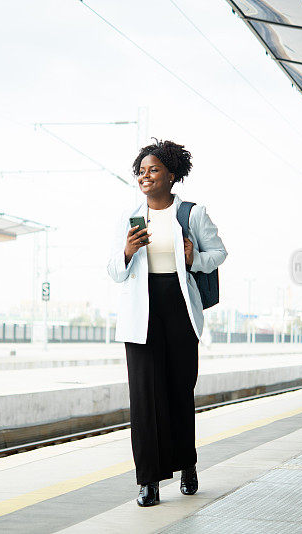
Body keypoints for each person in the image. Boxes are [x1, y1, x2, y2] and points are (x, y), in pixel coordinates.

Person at [107, 139, 227, 506]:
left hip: (178, 309)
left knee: (178, 393)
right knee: (144, 399)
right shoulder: (129, 214)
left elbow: (220, 253)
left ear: (171, 175)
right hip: (139, 315)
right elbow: (114, 271)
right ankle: (149, 481)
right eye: (141, 171)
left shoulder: (191, 214)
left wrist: (194, 258)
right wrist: (128, 252)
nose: (145, 176)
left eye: (153, 169)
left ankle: (186, 464)